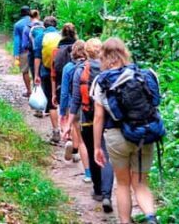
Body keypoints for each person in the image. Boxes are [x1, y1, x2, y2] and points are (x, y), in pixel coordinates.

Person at [93, 38, 158, 224]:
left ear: (103, 56)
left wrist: (97, 147)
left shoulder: (102, 80)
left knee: (122, 184)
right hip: (145, 133)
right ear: (124, 53)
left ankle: (125, 221)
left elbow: (98, 117)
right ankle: (151, 218)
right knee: (141, 184)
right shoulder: (143, 75)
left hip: (117, 136)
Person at [70, 38, 114, 213]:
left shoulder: (80, 70)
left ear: (86, 52)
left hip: (88, 118)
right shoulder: (110, 69)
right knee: (107, 155)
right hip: (109, 120)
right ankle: (107, 195)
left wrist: (69, 121)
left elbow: (76, 99)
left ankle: (97, 190)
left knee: (93, 152)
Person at [60, 40, 90, 182]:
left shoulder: (68, 67)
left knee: (80, 136)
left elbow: (64, 92)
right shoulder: (92, 66)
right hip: (91, 107)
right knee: (94, 139)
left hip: (75, 105)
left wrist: (63, 113)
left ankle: (87, 172)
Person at [32, 16, 61, 141]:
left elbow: (37, 57)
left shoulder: (40, 37)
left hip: (46, 72)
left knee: (51, 102)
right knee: (65, 102)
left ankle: (56, 132)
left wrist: (36, 74)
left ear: (44, 26)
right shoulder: (61, 36)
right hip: (61, 74)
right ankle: (70, 134)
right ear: (55, 25)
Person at [13, 6, 32, 97]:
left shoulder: (18, 25)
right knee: (37, 72)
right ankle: (39, 91)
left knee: (25, 71)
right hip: (36, 50)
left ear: (21, 13)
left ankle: (29, 91)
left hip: (23, 51)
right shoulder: (36, 22)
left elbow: (17, 40)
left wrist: (16, 54)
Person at [21, 10, 43, 81]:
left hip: (32, 54)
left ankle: (36, 86)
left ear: (30, 17)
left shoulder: (27, 27)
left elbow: (24, 45)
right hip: (44, 53)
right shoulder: (43, 25)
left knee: (35, 74)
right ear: (38, 16)